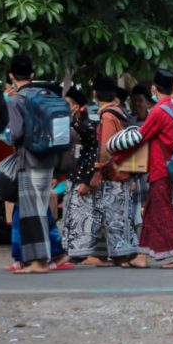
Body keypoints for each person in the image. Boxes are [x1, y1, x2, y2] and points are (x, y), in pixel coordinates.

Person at [119, 69, 173, 269]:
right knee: (152, 212)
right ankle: (142, 256)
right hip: (165, 168)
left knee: (165, 213)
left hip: (161, 169)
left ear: (154, 89)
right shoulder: (171, 108)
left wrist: (116, 155)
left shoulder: (160, 111)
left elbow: (139, 137)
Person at [5, 55, 59, 274]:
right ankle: (44, 258)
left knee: (31, 213)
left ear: (11, 76)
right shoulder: (45, 96)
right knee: (40, 208)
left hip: (29, 160)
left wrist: (9, 136)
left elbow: (16, 133)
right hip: (48, 159)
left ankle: (39, 262)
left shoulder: (17, 100)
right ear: (32, 75)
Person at [93, 78, 141, 267]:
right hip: (126, 171)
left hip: (113, 173)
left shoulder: (107, 116)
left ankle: (122, 255)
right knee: (124, 214)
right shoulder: (121, 113)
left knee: (114, 216)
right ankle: (127, 253)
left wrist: (99, 170)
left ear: (96, 95)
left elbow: (106, 149)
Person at [60, 86, 107, 265]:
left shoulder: (87, 125)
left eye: (68, 104)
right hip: (73, 175)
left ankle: (83, 253)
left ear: (76, 106)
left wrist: (87, 180)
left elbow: (93, 153)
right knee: (72, 215)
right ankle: (72, 251)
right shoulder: (73, 124)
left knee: (84, 216)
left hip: (83, 177)